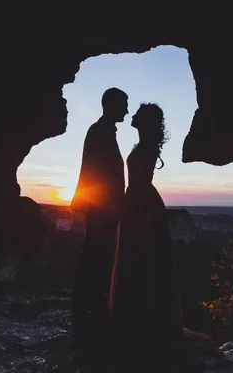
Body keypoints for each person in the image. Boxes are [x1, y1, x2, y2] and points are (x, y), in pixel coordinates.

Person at [109, 102, 183, 354]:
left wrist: (127, 204)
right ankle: (137, 317)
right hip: (140, 201)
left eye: (138, 114)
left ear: (146, 121)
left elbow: (140, 181)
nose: (133, 115)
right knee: (140, 258)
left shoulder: (147, 146)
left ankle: (141, 321)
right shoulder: (143, 144)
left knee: (141, 257)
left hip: (142, 204)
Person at [70, 87, 129, 341]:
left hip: (103, 209)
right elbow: (96, 173)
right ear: (112, 106)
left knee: (97, 257)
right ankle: (87, 309)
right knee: (95, 257)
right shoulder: (99, 132)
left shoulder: (102, 131)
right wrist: (107, 205)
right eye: (124, 105)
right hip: (101, 210)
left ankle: (89, 307)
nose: (127, 110)